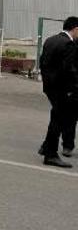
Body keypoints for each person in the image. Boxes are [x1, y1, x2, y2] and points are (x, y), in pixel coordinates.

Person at [37, 16, 78, 168]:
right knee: (58, 120)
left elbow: (42, 63)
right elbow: (69, 70)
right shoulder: (68, 44)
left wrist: (48, 82)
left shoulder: (50, 40)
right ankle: (50, 154)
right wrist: (72, 89)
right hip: (62, 90)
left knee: (57, 117)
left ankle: (47, 148)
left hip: (50, 87)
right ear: (75, 29)